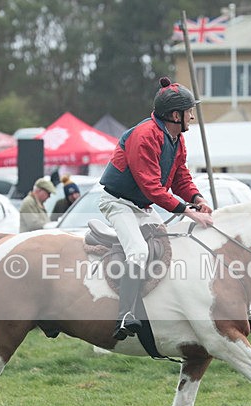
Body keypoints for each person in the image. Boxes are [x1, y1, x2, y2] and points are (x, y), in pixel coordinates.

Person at [99, 76, 213, 340]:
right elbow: (151, 186)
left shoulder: (176, 139)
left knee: (166, 247)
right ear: (176, 115)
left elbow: (180, 177)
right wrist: (186, 210)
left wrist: (199, 199)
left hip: (141, 205)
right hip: (117, 203)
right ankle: (125, 315)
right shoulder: (144, 136)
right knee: (138, 252)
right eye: (189, 112)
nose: (192, 117)